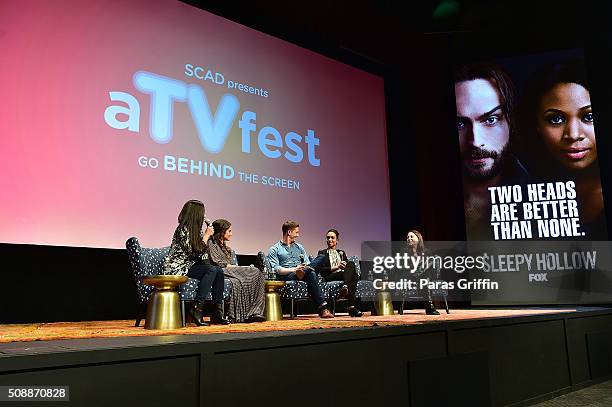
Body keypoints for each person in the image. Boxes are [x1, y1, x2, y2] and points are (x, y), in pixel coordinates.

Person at [520, 58, 607, 239]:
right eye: (556, 119)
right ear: (537, 125)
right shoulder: (523, 192)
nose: (573, 134)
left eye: (588, 116)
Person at [455, 63, 529, 239]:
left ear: (510, 122)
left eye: (491, 119)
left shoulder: (538, 197)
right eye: (459, 123)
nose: (476, 141)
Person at [163, 200, 230, 326]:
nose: (204, 216)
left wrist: (208, 237)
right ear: (196, 214)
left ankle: (217, 313)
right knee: (212, 270)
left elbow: (202, 255)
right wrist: (206, 237)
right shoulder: (183, 229)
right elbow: (194, 252)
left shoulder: (197, 231)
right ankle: (197, 309)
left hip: (190, 266)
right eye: (202, 214)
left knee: (218, 270)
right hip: (178, 268)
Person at [267, 221, 334, 318]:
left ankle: (304, 272)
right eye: (296, 232)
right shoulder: (275, 249)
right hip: (288, 275)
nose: (298, 235)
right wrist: (295, 269)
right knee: (311, 274)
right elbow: (277, 269)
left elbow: (307, 263)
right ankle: (323, 309)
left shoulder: (300, 247)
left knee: (321, 257)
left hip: (302, 272)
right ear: (289, 232)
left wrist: (304, 267)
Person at [207, 219, 266, 323]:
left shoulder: (225, 247)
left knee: (242, 281)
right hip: (221, 271)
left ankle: (254, 313)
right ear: (221, 232)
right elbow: (218, 263)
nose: (231, 234)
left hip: (229, 270)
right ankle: (250, 313)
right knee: (255, 271)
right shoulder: (211, 243)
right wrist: (238, 268)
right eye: (229, 231)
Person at [316, 229, 363, 317]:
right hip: (330, 276)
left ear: (337, 240)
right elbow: (322, 269)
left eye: (332, 238)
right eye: (328, 238)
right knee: (355, 276)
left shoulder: (341, 252)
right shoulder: (322, 253)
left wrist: (344, 265)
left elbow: (348, 268)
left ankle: (345, 288)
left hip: (343, 275)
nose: (330, 240)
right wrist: (337, 267)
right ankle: (351, 307)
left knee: (351, 264)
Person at [405, 230, 439, 315]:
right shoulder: (405, 252)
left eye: (411, 236)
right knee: (424, 279)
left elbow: (432, 267)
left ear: (418, 238)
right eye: (407, 237)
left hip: (428, 276)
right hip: (412, 276)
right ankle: (430, 307)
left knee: (435, 258)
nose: (409, 238)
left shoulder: (426, 252)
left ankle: (417, 274)